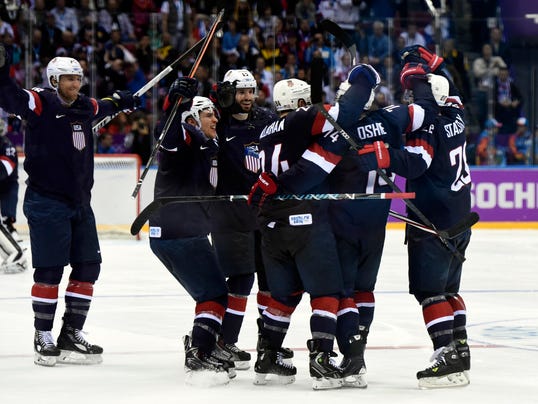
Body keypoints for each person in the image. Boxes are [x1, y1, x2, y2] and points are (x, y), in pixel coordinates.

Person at [0, 45, 141, 366]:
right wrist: (2, 71)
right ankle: (43, 334)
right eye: (67, 79)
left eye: (77, 78)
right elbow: (9, 97)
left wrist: (122, 101)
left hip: (80, 203)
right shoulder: (40, 102)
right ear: (53, 80)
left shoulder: (83, 107)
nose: (74, 84)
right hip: (46, 201)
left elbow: (102, 106)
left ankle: (70, 333)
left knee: (88, 267)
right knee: (49, 270)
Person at [248, 65, 381, 390]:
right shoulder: (302, 119)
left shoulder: (265, 130)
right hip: (303, 219)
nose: (310, 104)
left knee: (285, 293)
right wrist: (364, 80)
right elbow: (343, 114)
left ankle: (267, 356)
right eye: (306, 99)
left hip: (270, 223)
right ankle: (322, 359)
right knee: (329, 291)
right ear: (298, 103)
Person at [327, 61, 438, 388]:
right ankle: (358, 346)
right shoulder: (392, 116)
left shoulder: (337, 128)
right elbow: (426, 113)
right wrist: (418, 81)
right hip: (377, 220)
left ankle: (352, 355)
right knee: (365, 289)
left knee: (343, 291)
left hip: (343, 219)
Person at [395, 45, 472, 389]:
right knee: (449, 289)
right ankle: (461, 348)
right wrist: (432, 65)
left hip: (433, 222)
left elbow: (414, 164)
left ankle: (446, 353)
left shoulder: (428, 129)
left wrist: (379, 155)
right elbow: (450, 93)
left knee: (429, 292)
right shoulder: (457, 115)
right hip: (459, 218)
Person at [148, 78, 234, 385]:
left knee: (209, 293)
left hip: (179, 233)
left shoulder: (210, 144)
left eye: (215, 113)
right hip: (178, 233)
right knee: (214, 293)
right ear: (193, 119)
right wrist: (175, 103)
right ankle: (199, 351)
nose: (216, 118)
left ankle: (202, 344)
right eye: (208, 114)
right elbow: (168, 134)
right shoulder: (186, 137)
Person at [209, 68, 278, 370]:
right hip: (230, 213)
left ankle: (269, 341)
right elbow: (198, 116)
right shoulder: (219, 121)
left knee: (269, 280)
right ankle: (225, 341)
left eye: (250, 91)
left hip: (263, 210)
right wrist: (217, 96)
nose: (247, 97)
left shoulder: (265, 119)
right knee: (240, 279)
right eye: (240, 92)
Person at [0, 118, 26, 273]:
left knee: (6, 222)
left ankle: (18, 255)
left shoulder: (6, 145)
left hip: (7, 187)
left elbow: (5, 169)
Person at [0, 118, 21, 241]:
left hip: (8, 184)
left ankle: (10, 228)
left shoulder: (7, 145)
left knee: (7, 216)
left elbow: (6, 168)